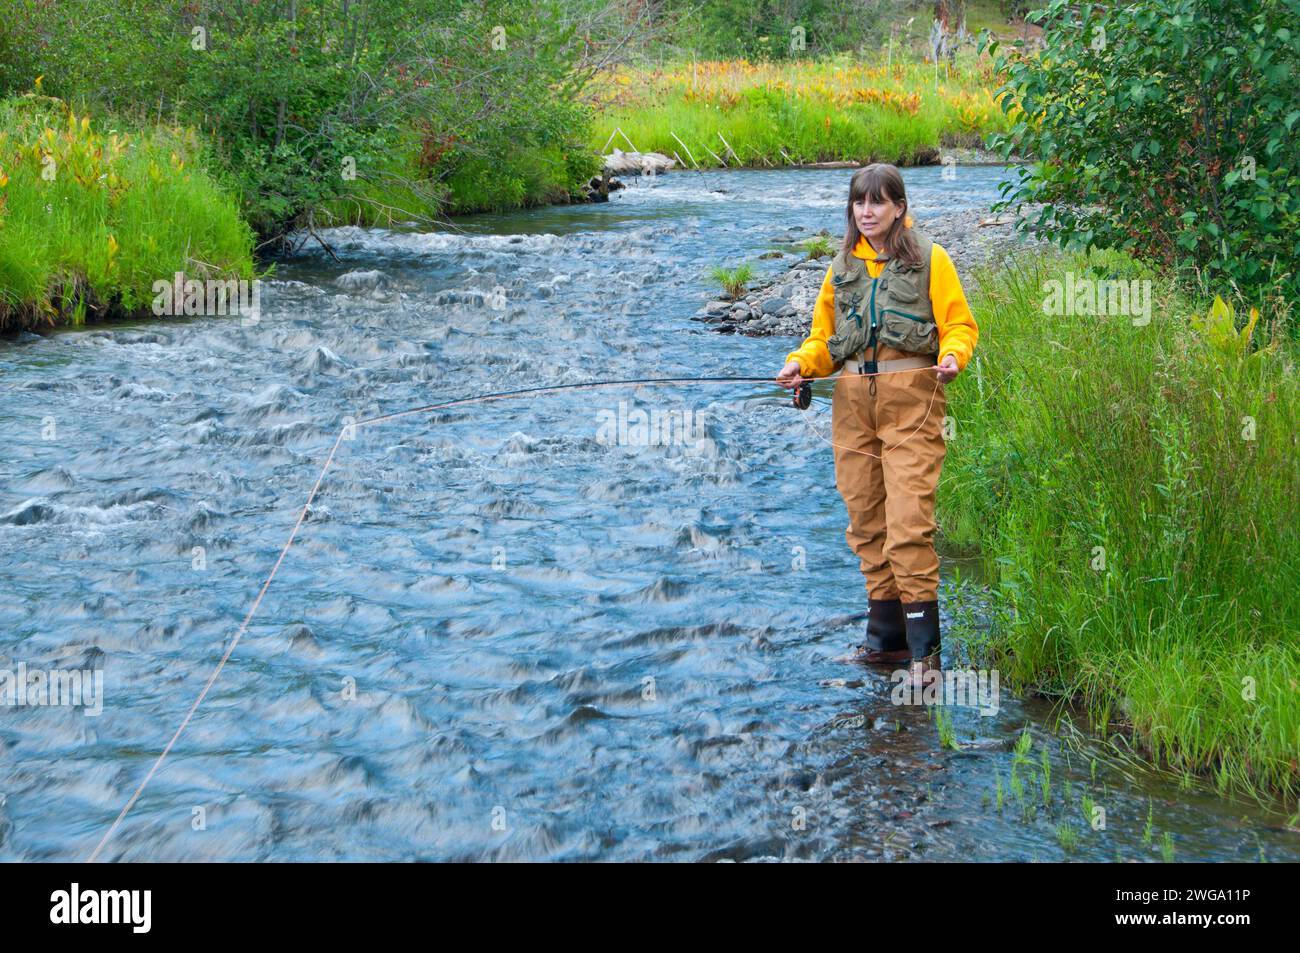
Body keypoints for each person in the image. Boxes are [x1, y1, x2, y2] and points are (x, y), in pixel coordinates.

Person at [776, 163, 978, 687]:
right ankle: (883, 644)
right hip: (850, 404)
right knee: (866, 523)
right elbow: (824, 340)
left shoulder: (932, 259)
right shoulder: (841, 267)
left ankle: (925, 659)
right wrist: (801, 364)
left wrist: (954, 356)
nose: (867, 213)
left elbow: (958, 324)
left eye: (878, 203)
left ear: (900, 208)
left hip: (911, 403)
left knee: (908, 524)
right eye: (859, 204)